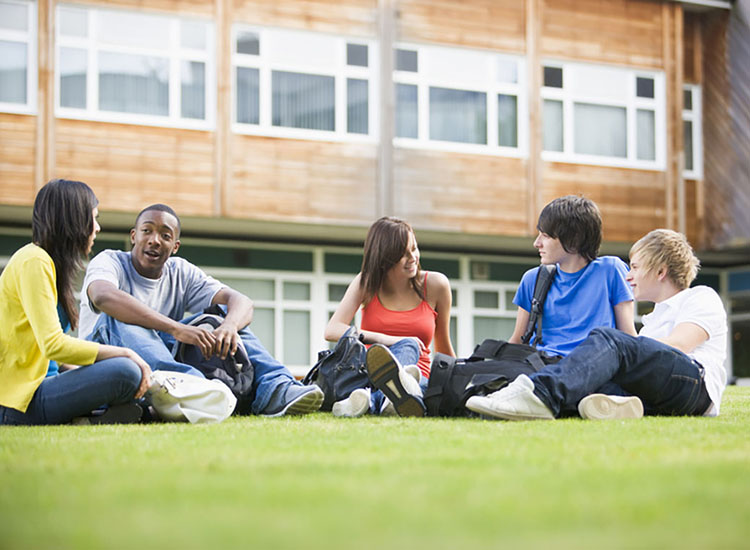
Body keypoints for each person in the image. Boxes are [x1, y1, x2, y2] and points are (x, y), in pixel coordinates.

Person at [78, 203, 323, 417]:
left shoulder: (180, 271)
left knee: (226, 321)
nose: (154, 239)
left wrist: (229, 326)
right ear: (133, 236)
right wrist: (176, 328)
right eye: (147, 231)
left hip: (159, 363)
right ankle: (194, 389)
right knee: (122, 318)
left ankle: (277, 388)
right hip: (105, 361)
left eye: (165, 235)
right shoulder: (109, 260)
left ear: (175, 246)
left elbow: (242, 302)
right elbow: (103, 296)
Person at [466, 229, 727, 420]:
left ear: (660, 272)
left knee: (610, 339)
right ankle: (504, 405)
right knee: (591, 382)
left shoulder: (701, 296)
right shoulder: (653, 319)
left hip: (695, 386)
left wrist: (619, 349)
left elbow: (679, 347)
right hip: (665, 393)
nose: (628, 276)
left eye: (635, 267)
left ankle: (538, 394)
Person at [0, 179, 151, 426]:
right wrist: (124, 353)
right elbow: (53, 346)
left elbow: (55, 360)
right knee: (126, 371)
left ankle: (94, 415)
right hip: (20, 402)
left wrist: (90, 377)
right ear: (74, 219)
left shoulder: (47, 263)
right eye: (94, 218)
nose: (98, 228)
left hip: (45, 386)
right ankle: (94, 415)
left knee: (123, 373)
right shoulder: (34, 261)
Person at [324, 216, 455, 417]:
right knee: (409, 344)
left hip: (419, 377)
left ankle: (372, 399)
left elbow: (443, 346)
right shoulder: (367, 282)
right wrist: (387, 340)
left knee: (415, 374)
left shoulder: (436, 285)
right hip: (371, 373)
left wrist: (457, 381)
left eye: (414, 248)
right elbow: (332, 329)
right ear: (385, 257)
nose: (413, 257)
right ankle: (390, 397)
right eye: (403, 254)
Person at [507, 195, 636, 356]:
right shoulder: (533, 279)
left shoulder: (611, 271)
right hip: (541, 369)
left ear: (574, 239)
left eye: (546, 236)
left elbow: (628, 338)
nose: (537, 243)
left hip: (594, 368)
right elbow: (517, 342)